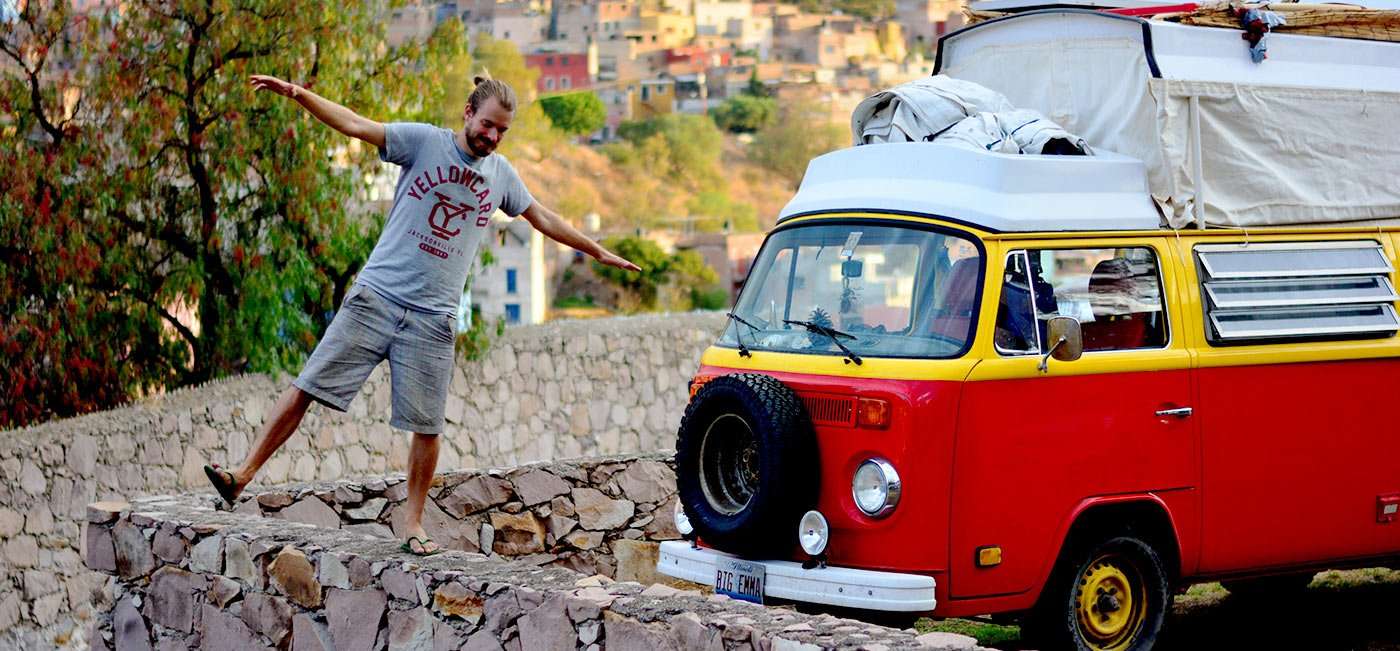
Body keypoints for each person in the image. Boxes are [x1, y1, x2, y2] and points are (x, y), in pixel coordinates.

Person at [203, 74, 640, 556]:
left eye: (502, 132)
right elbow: (355, 125)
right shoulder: (423, 142)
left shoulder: (501, 176)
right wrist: (299, 95)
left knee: (427, 426)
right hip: (377, 297)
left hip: (433, 318)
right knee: (307, 386)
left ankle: (411, 523)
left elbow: (545, 218)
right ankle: (241, 475)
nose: (492, 138)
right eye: (488, 125)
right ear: (468, 114)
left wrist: (597, 252)